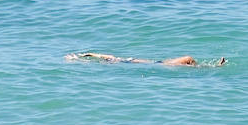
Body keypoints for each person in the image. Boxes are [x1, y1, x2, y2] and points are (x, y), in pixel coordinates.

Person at [65, 52, 226, 67]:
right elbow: (100, 56)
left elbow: (100, 56)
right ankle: (214, 67)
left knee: (190, 62)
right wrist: (82, 57)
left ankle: (212, 67)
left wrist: (85, 55)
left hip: (157, 64)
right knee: (189, 60)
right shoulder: (118, 61)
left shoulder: (118, 60)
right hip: (159, 65)